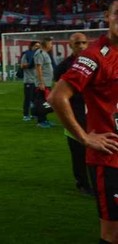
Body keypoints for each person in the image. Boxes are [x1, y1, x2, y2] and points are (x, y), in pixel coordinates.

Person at [48, 0, 118, 244]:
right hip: (110, 159)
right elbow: (57, 97)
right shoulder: (94, 55)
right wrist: (85, 138)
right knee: (112, 234)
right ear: (107, 17)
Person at [53, 32, 93, 196]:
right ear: (70, 45)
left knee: (99, 150)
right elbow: (57, 94)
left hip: (94, 114)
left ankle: (100, 181)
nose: (81, 46)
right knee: (78, 152)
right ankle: (82, 184)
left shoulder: (94, 62)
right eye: (77, 43)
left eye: (84, 42)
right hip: (74, 114)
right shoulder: (63, 67)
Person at [33, 37, 55, 128]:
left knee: (45, 102)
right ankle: (40, 121)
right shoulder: (40, 53)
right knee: (42, 102)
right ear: (46, 44)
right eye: (50, 43)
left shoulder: (45, 53)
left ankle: (44, 119)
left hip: (47, 82)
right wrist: (41, 82)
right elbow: (38, 68)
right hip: (43, 83)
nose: (52, 45)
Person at [20, 40, 40, 121]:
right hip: (29, 80)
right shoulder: (26, 55)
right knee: (28, 99)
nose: (37, 48)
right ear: (31, 47)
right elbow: (22, 66)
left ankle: (34, 114)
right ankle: (25, 115)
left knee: (35, 100)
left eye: (39, 46)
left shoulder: (39, 55)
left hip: (36, 80)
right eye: (36, 46)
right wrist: (30, 64)